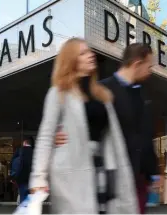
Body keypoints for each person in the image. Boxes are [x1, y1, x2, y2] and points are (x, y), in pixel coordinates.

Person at [29, 38, 138, 214]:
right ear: (71, 60)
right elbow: (45, 136)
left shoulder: (102, 94)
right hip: (70, 174)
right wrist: (38, 178)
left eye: (89, 51)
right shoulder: (58, 93)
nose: (90, 55)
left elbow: (112, 136)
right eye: (83, 53)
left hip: (101, 169)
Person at [55, 43, 159, 214]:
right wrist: (57, 134)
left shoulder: (143, 95)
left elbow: (146, 134)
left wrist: (153, 172)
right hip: (111, 173)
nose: (150, 71)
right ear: (137, 64)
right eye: (149, 66)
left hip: (138, 177)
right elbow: (75, 119)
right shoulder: (101, 90)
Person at [11, 138, 33, 203]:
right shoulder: (35, 152)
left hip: (22, 180)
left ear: (24, 143)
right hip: (32, 180)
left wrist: (14, 177)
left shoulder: (20, 151)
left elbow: (14, 163)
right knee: (31, 199)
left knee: (23, 198)